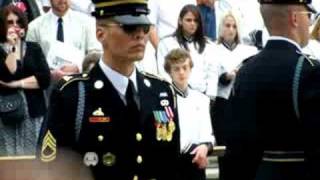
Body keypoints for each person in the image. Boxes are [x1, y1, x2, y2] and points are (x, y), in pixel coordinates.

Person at [38, 0, 181, 180]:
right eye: (129, 28)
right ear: (100, 33)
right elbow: (51, 167)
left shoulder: (161, 93)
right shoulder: (72, 94)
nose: (140, 35)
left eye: (144, 28)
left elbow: (172, 166)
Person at [223, 0, 320, 180]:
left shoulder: (245, 71)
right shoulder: (310, 71)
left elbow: (235, 144)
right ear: (295, 19)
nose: (310, 23)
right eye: (309, 16)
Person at [210, 10, 258, 179]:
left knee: (244, 150)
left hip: (243, 104)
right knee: (225, 152)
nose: (230, 29)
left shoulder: (249, 50)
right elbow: (209, 78)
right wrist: (226, 77)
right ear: (220, 28)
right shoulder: (211, 50)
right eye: (227, 25)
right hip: (222, 104)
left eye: (234, 26)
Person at [0, 4, 50, 157]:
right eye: (10, 22)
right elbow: (8, 75)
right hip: (7, 114)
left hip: (34, 113)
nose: (15, 26)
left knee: (33, 160)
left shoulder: (33, 48)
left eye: (18, 22)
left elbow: (44, 79)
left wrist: (16, 84)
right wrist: (13, 49)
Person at [164, 48, 215, 180]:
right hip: (171, 161)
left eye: (185, 67)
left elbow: (208, 134)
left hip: (194, 161)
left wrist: (205, 146)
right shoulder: (163, 100)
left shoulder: (202, 99)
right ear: (169, 72)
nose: (181, 72)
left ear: (190, 69)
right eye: (176, 69)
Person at [26, 0, 101, 82]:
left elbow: (96, 55)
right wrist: (49, 74)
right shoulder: (34, 27)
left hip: (80, 82)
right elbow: (30, 64)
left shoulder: (87, 23)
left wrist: (79, 67)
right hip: (47, 86)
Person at [157, 4, 219, 96]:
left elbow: (212, 74)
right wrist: (172, 93)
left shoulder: (209, 46)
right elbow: (163, 72)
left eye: (196, 21)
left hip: (201, 96)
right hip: (175, 94)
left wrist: (210, 98)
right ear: (180, 21)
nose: (192, 23)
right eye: (188, 20)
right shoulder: (166, 43)